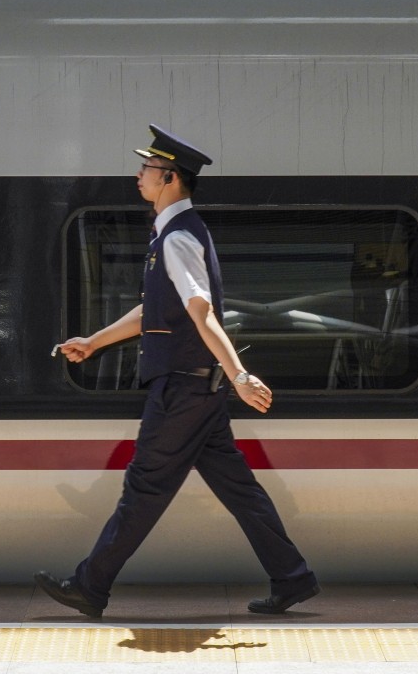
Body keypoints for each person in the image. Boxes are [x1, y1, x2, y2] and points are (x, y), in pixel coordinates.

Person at [35, 124, 318, 619]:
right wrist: (94, 343)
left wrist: (239, 374)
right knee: (240, 490)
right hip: (197, 394)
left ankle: (90, 586)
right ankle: (292, 577)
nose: (138, 175)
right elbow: (154, 311)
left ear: (168, 177)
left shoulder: (177, 238)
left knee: (144, 488)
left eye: (145, 168)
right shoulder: (174, 234)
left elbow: (200, 311)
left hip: (182, 391)